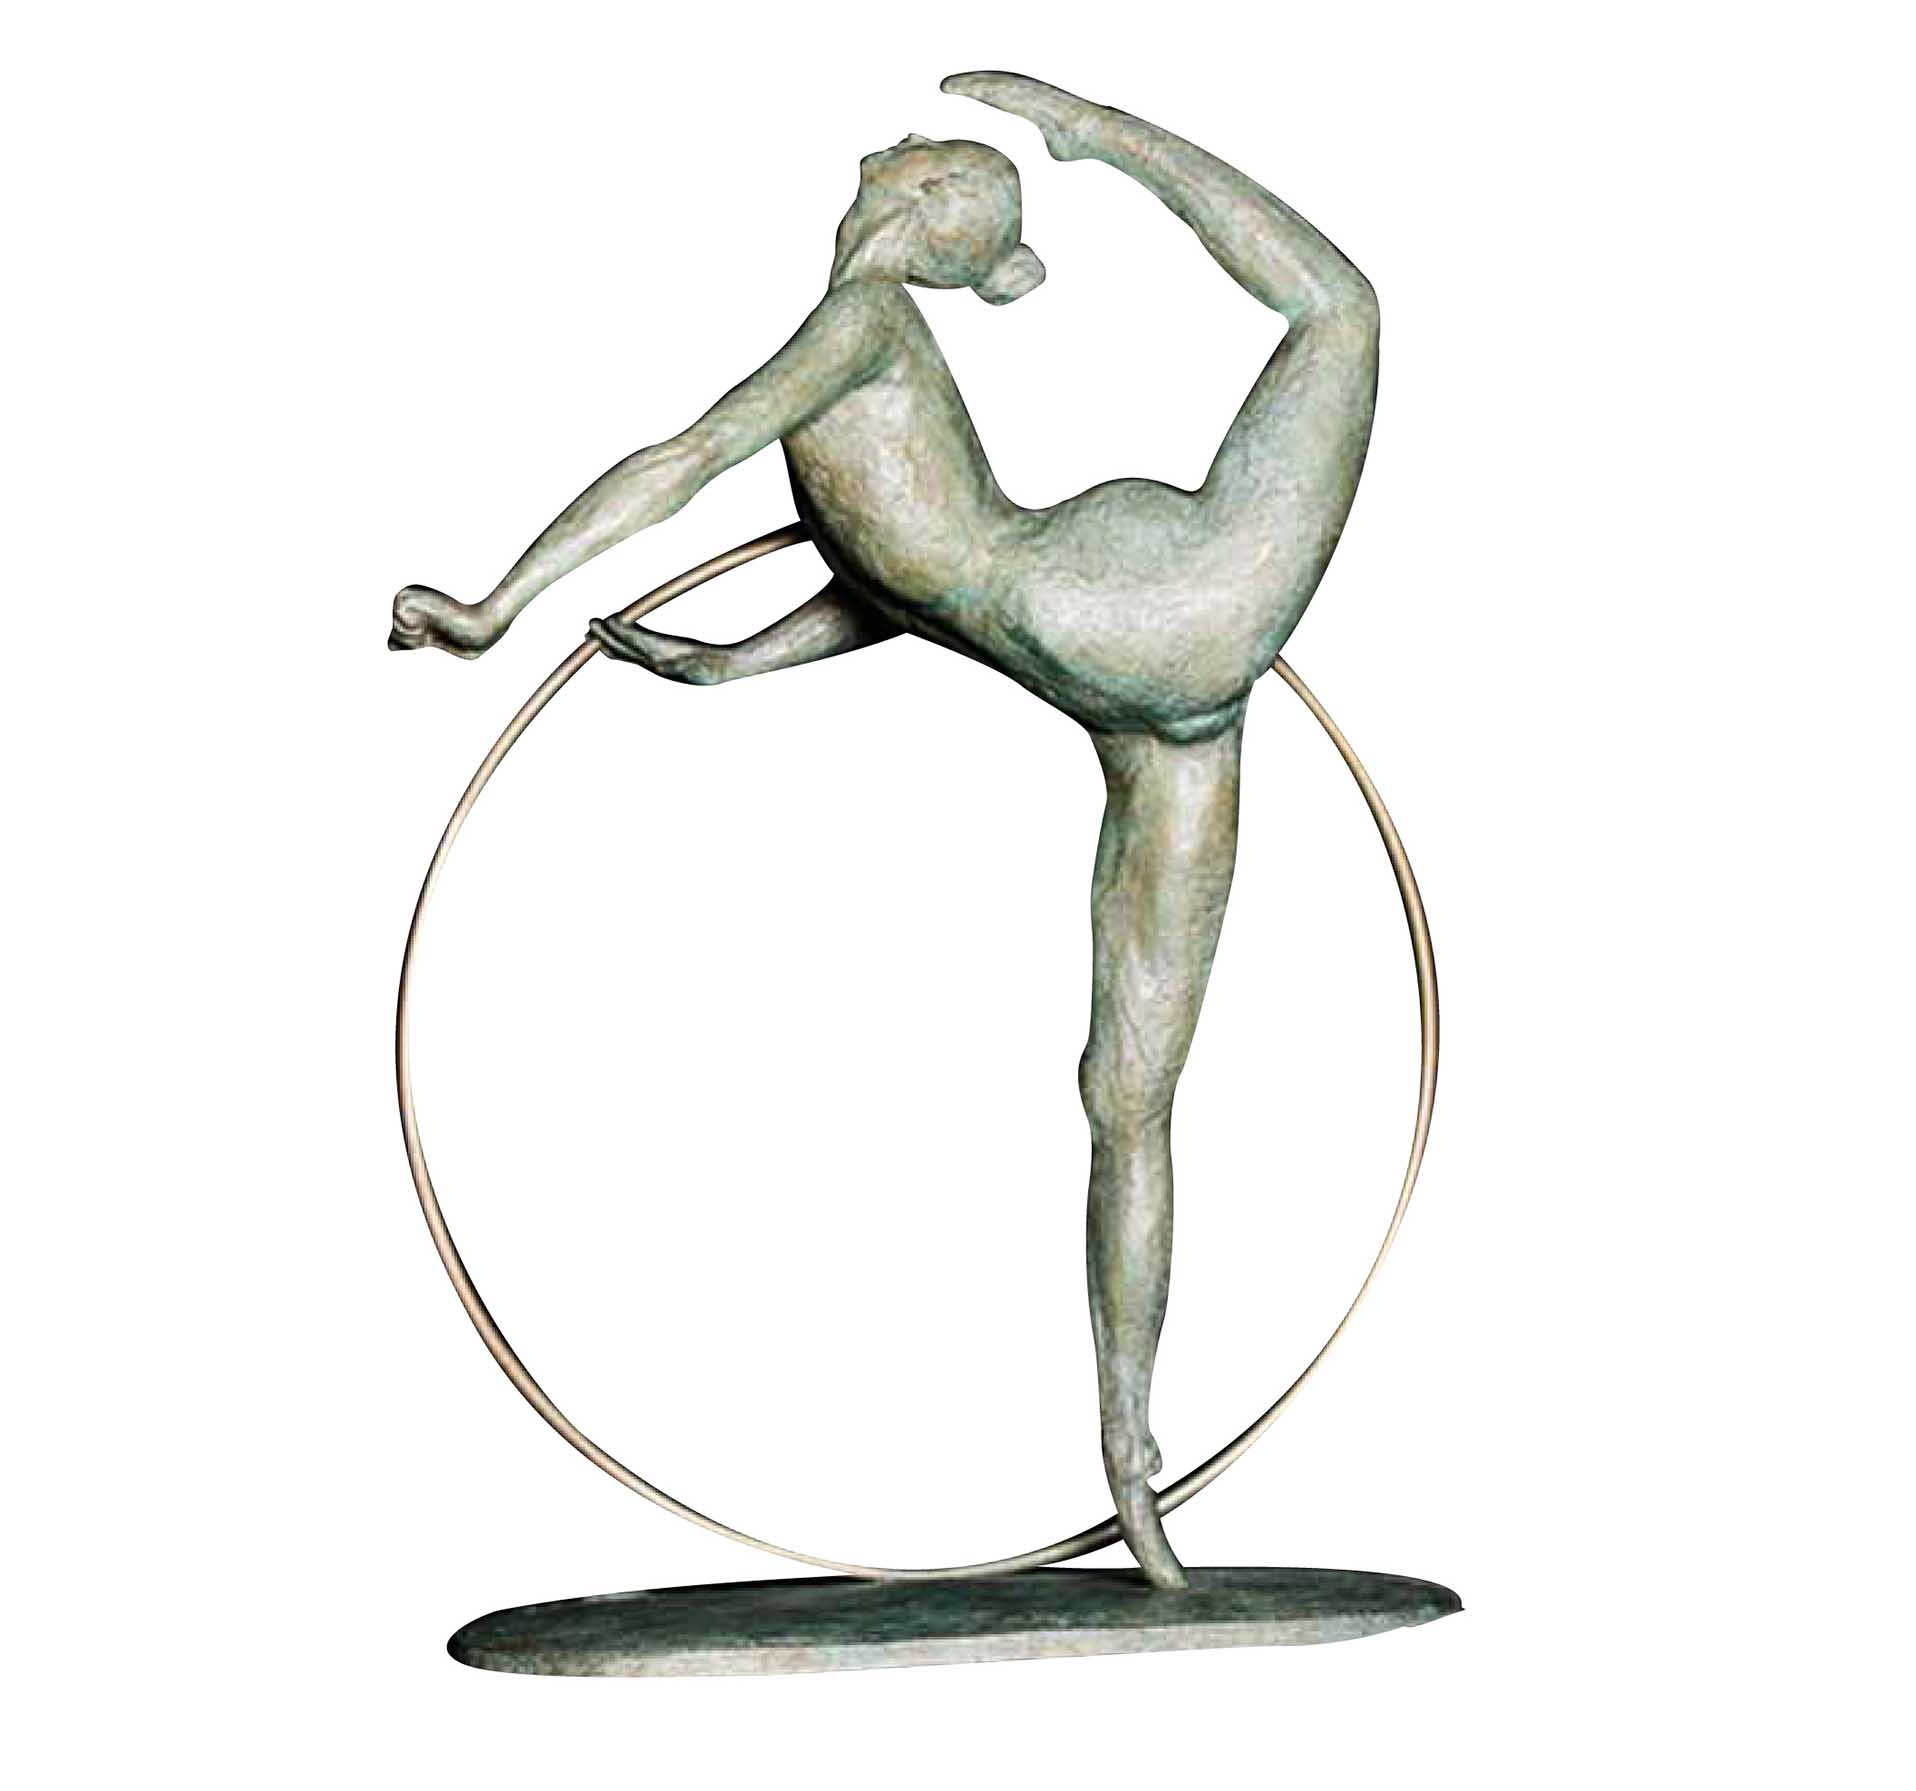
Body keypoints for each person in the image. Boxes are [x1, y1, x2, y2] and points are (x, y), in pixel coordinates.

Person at [390, 71, 1379, 1589]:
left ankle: (1098, 133)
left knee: (1341, 312)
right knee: (1125, 1097)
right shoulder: (885, 356)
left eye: (914, 152)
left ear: (920, 208)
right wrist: (736, 662)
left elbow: (683, 463)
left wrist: (494, 606)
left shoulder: (858, 328)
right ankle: (1132, 1472)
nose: (878, 143)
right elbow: (918, 589)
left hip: (1168, 605)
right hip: (1166, 699)